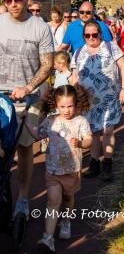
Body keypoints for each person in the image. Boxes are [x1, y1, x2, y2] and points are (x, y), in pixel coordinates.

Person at [0, 0, 54, 219]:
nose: (13, 4)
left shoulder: (39, 28)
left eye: (17, 0)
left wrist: (29, 86)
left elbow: (47, 64)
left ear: (27, 0)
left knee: (24, 148)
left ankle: (23, 197)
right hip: (0, 94)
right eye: (8, 0)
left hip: (28, 97)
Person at [22, 84, 92, 251]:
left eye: (70, 106)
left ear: (77, 104)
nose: (66, 110)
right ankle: (47, 239)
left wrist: (81, 143)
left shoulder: (81, 121)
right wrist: (26, 122)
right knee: (53, 201)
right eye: (62, 106)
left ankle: (66, 221)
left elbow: (89, 140)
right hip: (53, 171)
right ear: (56, 105)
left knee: (68, 199)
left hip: (72, 171)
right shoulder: (51, 120)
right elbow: (37, 134)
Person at [70, 20, 124, 181]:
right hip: (88, 102)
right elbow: (75, 76)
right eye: (87, 35)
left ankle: (108, 165)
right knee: (94, 133)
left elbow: (123, 67)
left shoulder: (110, 47)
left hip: (109, 98)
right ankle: (95, 164)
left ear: (100, 34)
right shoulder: (79, 51)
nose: (91, 38)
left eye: (94, 34)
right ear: (84, 36)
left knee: (108, 131)